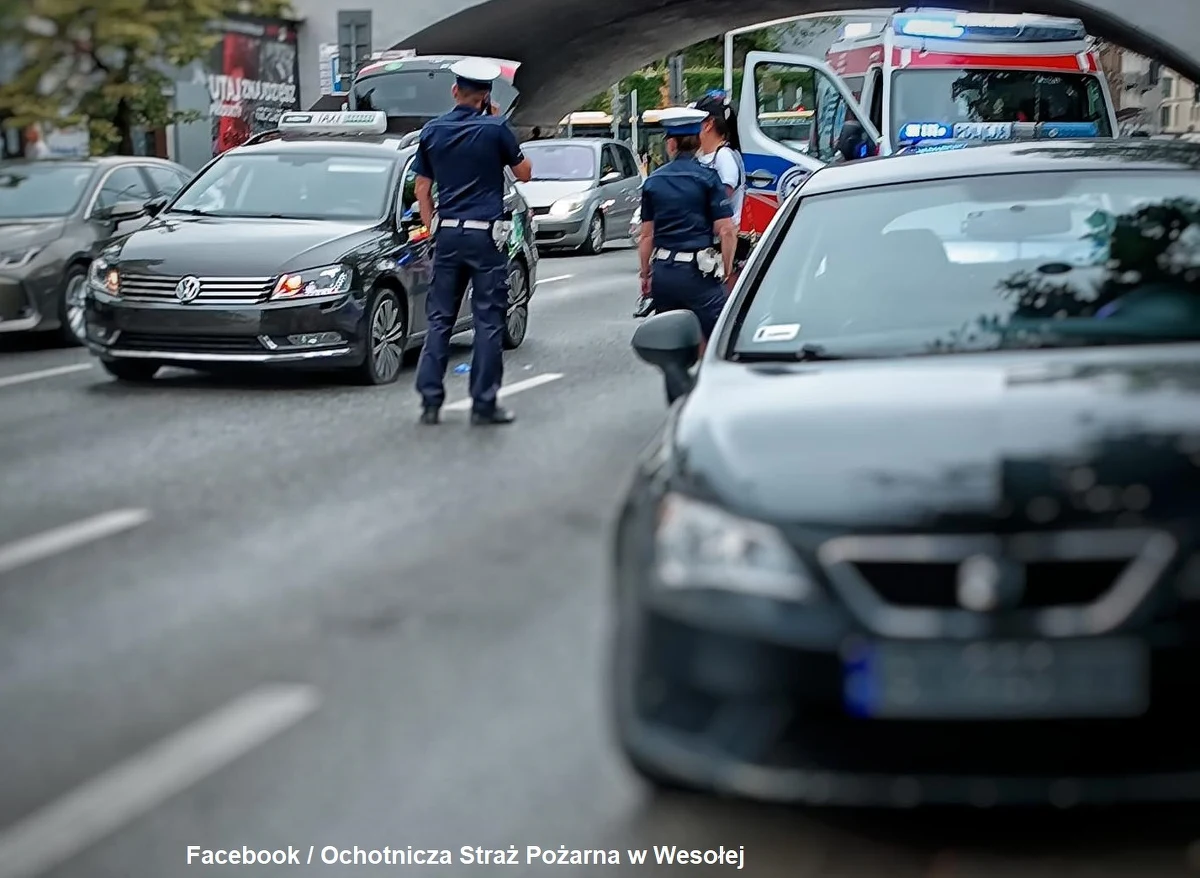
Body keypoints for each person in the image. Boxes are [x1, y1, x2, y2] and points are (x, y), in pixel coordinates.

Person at [411, 58, 533, 426]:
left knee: (440, 319)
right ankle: (483, 402)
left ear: (454, 91)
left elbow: (421, 188)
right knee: (487, 320)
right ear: (485, 97)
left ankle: (430, 401)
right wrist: (498, 122)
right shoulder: (496, 128)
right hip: (484, 237)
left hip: (447, 233)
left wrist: (433, 226)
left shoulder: (432, 131)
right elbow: (524, 174)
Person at [635, 92, 745, 317]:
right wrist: (725, 269)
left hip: (664, 272)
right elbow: (726, 230)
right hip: (699, 272)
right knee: (717, 335)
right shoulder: (708, 177)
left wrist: (646, 274)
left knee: (666, 331)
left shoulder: (654, 180)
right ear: (696, 140)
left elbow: (646, 236)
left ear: (671, 143)